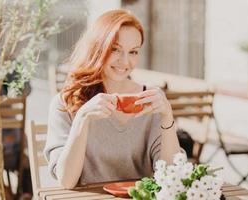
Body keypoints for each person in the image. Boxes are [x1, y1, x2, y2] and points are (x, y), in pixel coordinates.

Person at [44, 9, 181, 189]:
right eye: (115, 49)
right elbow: (66, 181)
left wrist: (167, 116)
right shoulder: (65, 102)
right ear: (98, 48)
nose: (125, 61)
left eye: (133, 52)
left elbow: (172, 176)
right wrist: (82, 119)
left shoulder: (150, 102)